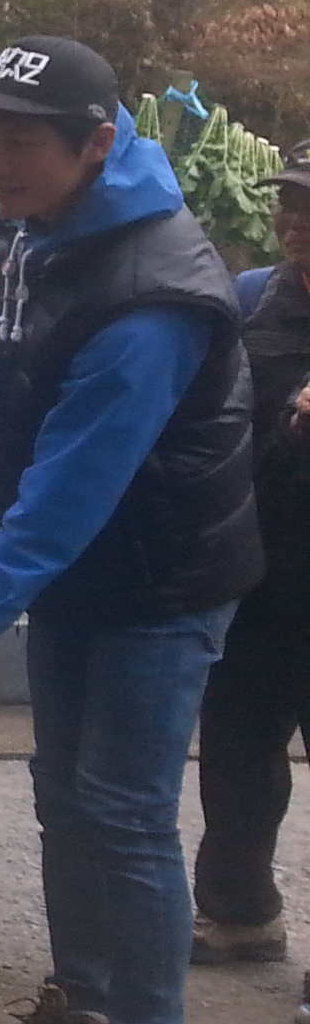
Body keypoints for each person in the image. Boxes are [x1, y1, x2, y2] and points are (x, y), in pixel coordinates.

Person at [0, 36, 260, 1024]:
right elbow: (15, 349)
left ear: (96, 143)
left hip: (159, 577)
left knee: (127, 812)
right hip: (85, 576)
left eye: (20, 140)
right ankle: (80, 1009)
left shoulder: (154, 288)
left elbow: (73, 479)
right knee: (67, 798)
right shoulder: (39, 237)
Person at [192, 141, 310, 970]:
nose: (297, 222)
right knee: (236, 749)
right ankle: (239, 914)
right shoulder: (250, 300)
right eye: (292, 203)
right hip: (260, 574)